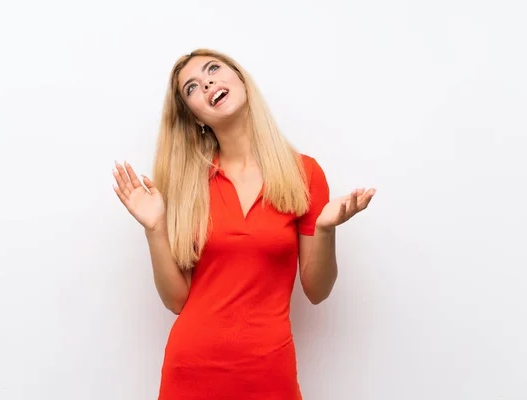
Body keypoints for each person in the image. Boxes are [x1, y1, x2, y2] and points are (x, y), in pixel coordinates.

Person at [112, 49, 376, 400]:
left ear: (240, 78)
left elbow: (317, 291)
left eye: (213, 69)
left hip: (269, 372)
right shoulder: (188, 186)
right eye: (191, 88)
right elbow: (177, 300)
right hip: (191, 372)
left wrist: (326, 231)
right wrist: (155, 228)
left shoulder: (304, 174)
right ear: (195, 117)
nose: (206, 82)